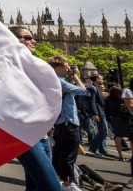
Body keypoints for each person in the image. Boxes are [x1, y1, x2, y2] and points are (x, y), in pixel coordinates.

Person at [9, 26, 61, 191]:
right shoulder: (9, 65)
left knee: (34, 187)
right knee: (52, 187)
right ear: (15, 40)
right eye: (28, 37)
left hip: (43, 136)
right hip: (25, 134)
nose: (34, 41)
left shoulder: (34, 66)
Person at [49, 55, 89, 191]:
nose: (69, 69)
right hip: (68, 122)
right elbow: (84, 92)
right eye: (67, 66)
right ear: (59, 68)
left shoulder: (55, 80)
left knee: (59, 153)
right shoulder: (61, 82)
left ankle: (59, 181)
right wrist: (77, 77)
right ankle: (68, 184)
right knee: (68, 154)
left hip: (61, 122)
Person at [106, 84, 131, 161]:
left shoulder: (108, 99)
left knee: (118, 137)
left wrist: (109, 120)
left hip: (115, 119)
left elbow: (106, 111)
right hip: (125, 118)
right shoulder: (122, 99)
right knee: (131, 137)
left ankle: (120, 156)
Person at [87, 74, 110, 157]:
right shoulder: (92, 88)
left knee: (102, 131)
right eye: (101, 78)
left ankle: (103, 150)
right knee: (103, 131)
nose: (103, 80)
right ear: (97, 79)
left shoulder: (97, 88)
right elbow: (92, 102)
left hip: (101, 112)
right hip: (98, 113)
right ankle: (93, 148)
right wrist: (95, 113)